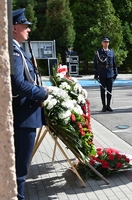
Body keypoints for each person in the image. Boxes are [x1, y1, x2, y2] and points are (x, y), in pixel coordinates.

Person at [11, 8, 49, 200]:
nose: (29, 29)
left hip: (26, 116)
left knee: (22, 165)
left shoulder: (17, 49)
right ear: (14, 27)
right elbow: (17, 84)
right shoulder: (14, 52)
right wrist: (39, 92)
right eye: (25, 26)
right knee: (21, 167)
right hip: (24, 117)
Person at [94, 36, 118, 112]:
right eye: (104, 42)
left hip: (110, 73)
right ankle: (104, 106)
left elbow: (114, 63)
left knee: (109, 91)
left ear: (109, 43)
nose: (106, 43)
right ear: (102, 43)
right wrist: (96, 74)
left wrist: (115, 73)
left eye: (107, 42)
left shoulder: (111, 52)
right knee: (102, 91)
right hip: (102, 73)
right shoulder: (98, 52)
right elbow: (95, 63)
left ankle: (108, 105)